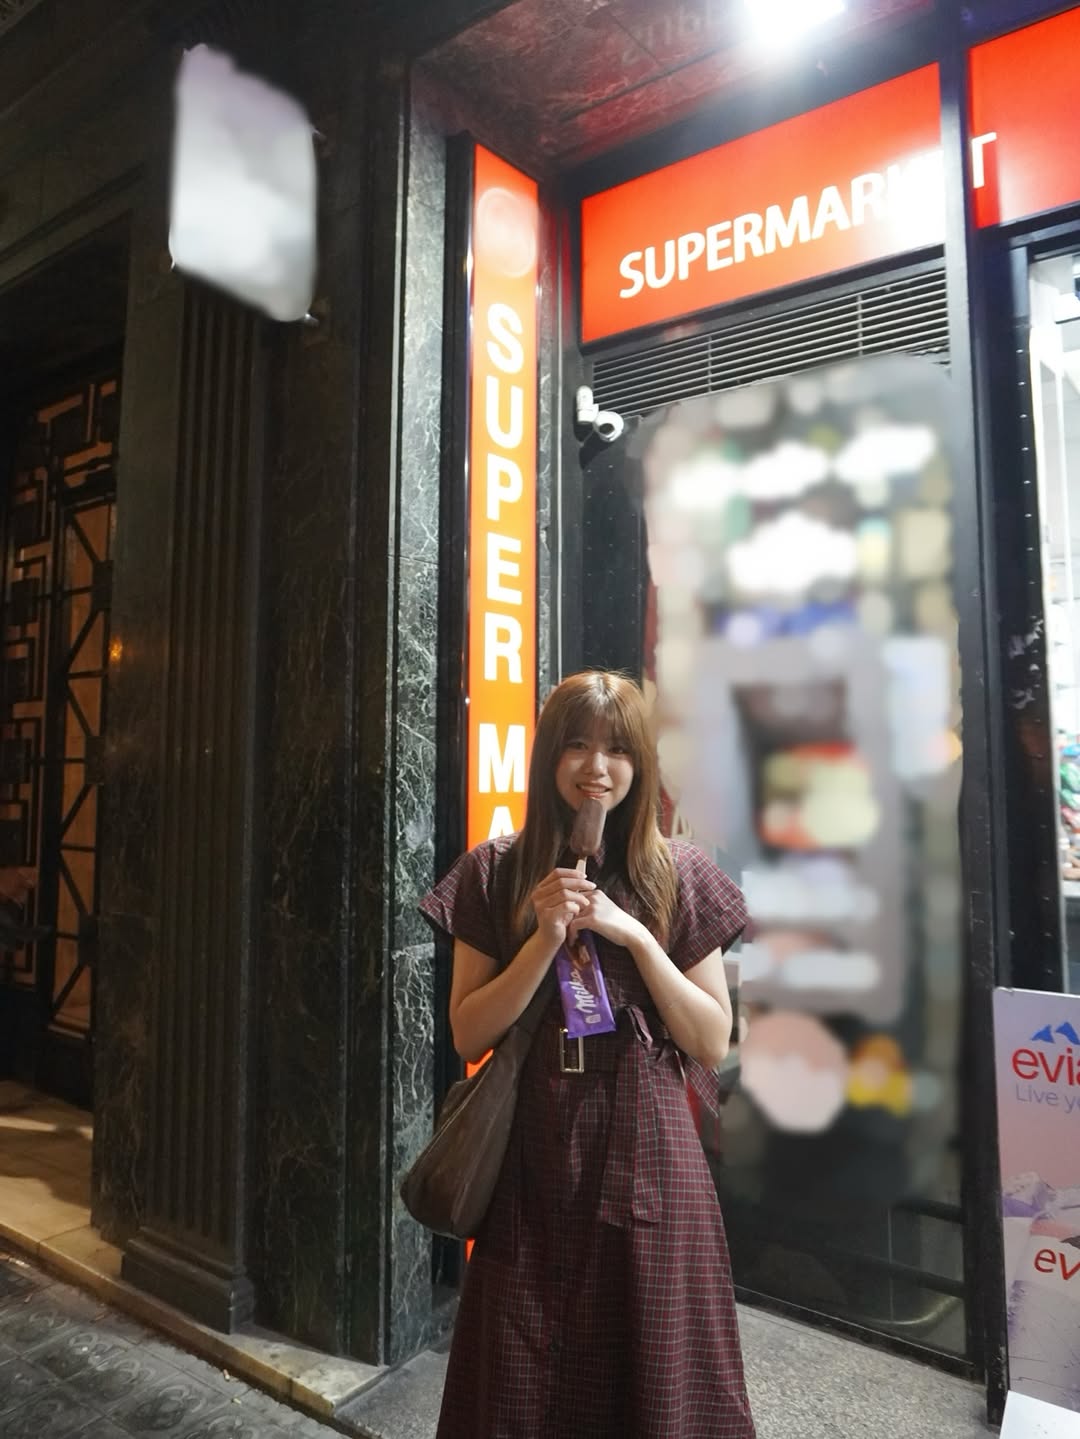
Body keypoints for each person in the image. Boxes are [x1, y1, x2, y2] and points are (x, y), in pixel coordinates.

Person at [419, 670, 756, 1439]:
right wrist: (543, 938)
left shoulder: (678, 873)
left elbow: (711, 1038)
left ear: (641, 764)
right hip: (533, 1154)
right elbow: (468, 1032)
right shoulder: (496, 870)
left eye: (617, 749)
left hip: (652, 1156)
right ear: (549, 757)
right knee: (519, 1370)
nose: (596, 767)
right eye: (577, 744)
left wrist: (631, 933)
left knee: (654, 1370)